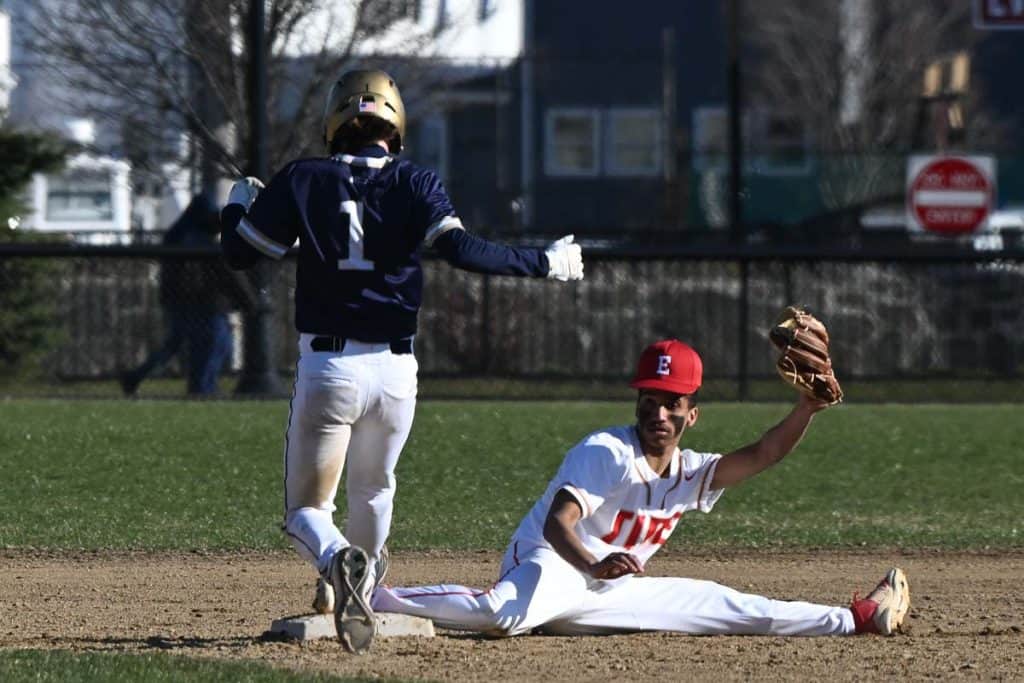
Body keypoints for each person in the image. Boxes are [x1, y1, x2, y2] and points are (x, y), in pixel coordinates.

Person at [218, 69, 584, 653]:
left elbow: (240, 254)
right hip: (396, 372)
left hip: (329, 367)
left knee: (306, 510)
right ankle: (360, 585)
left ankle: (338, 562)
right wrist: (543, 262)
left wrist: (237, 207)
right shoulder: (416, 181)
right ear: (396, 124)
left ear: (336, 121)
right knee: (374, 490)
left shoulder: (305, 177)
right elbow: (463, 250)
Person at [372, 339, 911, 638]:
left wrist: (807, 408)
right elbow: (556, 524)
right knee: (501, 615)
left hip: (608, 587)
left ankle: (857, 617)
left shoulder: (689, 472)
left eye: (671, 402)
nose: (658, 411)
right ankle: (372, 593)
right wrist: (592, 565)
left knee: (727, 606)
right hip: (554, 564)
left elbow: (764, 454)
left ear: (690, 415)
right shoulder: (607, 452)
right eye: (649, 399)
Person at [121, 194, 252, 396]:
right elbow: (222, 270)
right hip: (201, 303)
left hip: (180, 301)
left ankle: (136, 377)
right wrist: (246, 299)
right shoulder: (196, 239)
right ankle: (202, 389)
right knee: (214, 342)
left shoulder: (179, 233)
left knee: (176, 343)